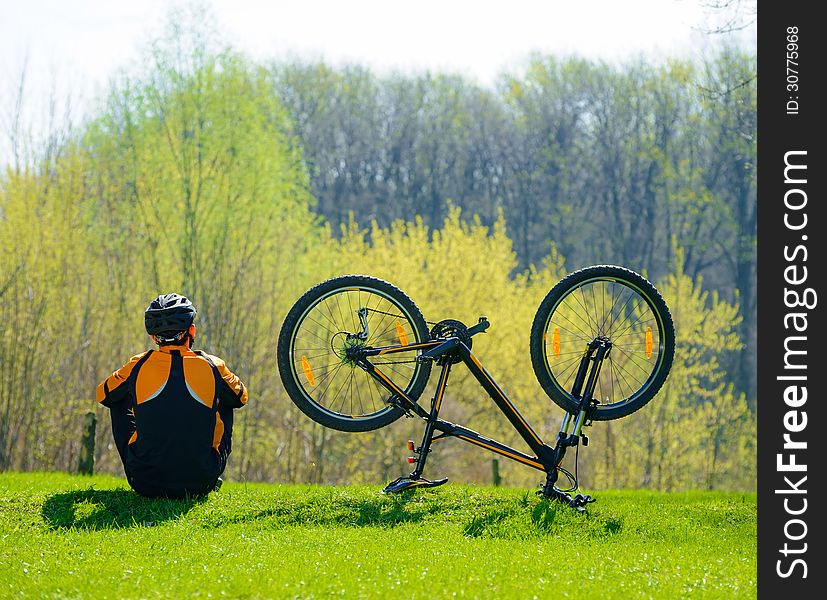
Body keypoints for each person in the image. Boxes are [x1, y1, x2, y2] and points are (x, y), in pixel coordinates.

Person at [96, 293, 248, 498]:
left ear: (153, 337)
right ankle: (203, 466)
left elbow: (102, 395)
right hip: (201, 483)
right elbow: (241, 397)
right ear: (191, 331)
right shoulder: (213, 365)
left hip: (144, 482)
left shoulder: (138, 365)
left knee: (117, 396)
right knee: (228, 399)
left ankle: (146, 462)